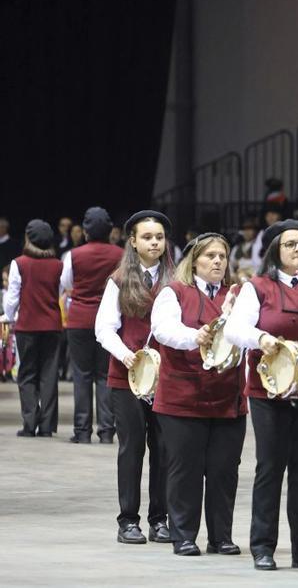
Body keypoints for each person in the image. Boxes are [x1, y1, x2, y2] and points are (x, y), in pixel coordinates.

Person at [224, 220, 298, 571]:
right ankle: (263, 546)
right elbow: (235, 329)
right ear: (276, 251)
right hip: (267, 391)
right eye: (290, 245)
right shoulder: (257, 288)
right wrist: (261, 339)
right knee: (270, 469)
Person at [150, 232, 245, 557]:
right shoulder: (173, 292)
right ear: (194, 262)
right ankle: (184, 535)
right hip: (183, 397)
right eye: (210, 256)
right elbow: (163, 329)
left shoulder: (239, 295)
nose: (218, 261)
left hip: (228, 397)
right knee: (185, 470)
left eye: (222, 256)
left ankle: (221, 537)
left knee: (223, 471)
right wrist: (196, 336)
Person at [95, 210, 174, 544]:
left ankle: (160, 520)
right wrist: (126, 355)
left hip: (168, 378)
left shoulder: (176, 279)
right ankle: (128, 520)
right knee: (131, 449)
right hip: (126, 377)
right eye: (147, 237)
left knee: (164, 449)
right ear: (133, 241)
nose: (154, 242)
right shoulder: (118, 279)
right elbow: (103, 328)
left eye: (158, 237)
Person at [59, 207, 123, 444]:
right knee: (106, 375)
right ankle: (107, 431)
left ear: (85, 231)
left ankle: (82, 431)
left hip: (79, 319)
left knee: (81, 375)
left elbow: (67, 283)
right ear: (109, 231)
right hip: (110, 320)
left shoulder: (73, 255)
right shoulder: (120, 254)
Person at [4, 219, 64, 438]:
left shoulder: (19, 263)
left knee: (27, 374)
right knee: (49, 375)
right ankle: (47, 426)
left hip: (27, 325)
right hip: (52, 325)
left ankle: (29, 424)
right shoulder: (58, 264)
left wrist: (8, 318)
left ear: (28, 238)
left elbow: (12, 297)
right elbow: (60, 292)